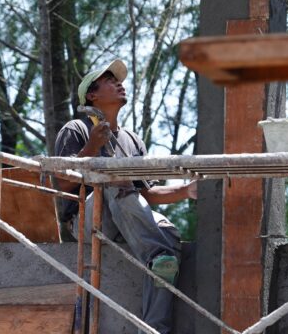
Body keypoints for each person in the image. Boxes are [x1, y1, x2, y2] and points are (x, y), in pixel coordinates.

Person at [54, 59, 197, 333]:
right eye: (110, 81)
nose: (119, 84)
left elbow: (145, 194)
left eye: (118, 81)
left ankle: (153, 328)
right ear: (92, 96)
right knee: (114, 178)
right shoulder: (76, 129)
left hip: (128, 218)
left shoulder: (132, 140)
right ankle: (156, 253)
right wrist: (91, 147)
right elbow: (62, 181)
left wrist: (185, 190)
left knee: (167, 235)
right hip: (87, 221)